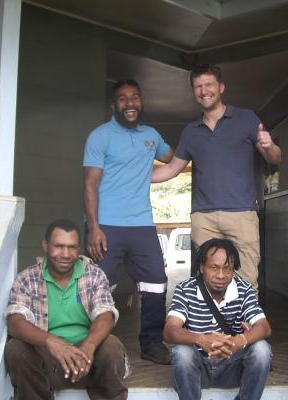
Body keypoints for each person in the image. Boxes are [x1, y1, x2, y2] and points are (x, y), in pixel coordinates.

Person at [152, 63, 282, 290]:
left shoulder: (247, 119)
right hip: (204, 219)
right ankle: (212, 327)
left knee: (246, 281)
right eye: (198, 86)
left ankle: (244, 326)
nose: (204, 91)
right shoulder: (191, 132)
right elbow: (172, 168)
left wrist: (269, 145)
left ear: (221, 87)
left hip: (241, 214)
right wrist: (133, 176)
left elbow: (275, 158)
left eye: (209, 84)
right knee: (209, 282)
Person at [83, 79, 173, 364]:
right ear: (114, 105)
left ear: (141, 101)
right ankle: (91, 345)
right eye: (122, 99)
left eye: (134, 97)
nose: (129, 103)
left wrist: (147, 174)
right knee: (97, 287)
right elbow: (90, 184)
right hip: (106, 225)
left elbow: (172, 160)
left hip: (142, 224)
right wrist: (94, 227)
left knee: (156, 283)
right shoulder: (100, 136)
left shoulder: (152, 136)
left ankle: (152, 344)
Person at [4, 219, 129, 400]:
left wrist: (89, 345)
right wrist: (51, 341)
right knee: (16, 348)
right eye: (59, 246)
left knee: (111, 345)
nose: (65, 254)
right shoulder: (27, 278)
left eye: (72, 247)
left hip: (87, 360)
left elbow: (106, 315)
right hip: (47, 363)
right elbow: (15, 323)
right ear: (45, 246)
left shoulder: (93, 275)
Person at [164, 239, 272, 400]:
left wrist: (239, 341)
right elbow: (169, 331)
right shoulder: (185, 289)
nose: (221, 275)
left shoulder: (244, 289)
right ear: (201, 268)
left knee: (262, 350)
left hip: (232, 368)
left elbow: (264, 327)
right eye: (214, 268)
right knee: (182, 352)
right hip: (198, 370)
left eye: (227, 269)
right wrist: (201, 339)